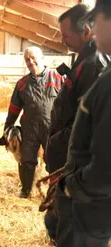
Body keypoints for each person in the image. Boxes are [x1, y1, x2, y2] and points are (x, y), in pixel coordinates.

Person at [43, 4, 110, 243]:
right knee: (57, 222)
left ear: (86, 31)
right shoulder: (84, 62)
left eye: (66, 35)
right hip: (73, 169)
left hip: (82, 184)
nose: (63, 41)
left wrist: (56, 143)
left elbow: (93, 135)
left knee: (69, 230)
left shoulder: (94, 66)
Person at [0, 46, 64, 198]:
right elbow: (14, 108)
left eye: (33, 58)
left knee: (54, 160)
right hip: (29, 128)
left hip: (53, 128)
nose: (31, 61)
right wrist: (7, 127)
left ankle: (55, 193)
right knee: (27, 160)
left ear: (42, 58)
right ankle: (26, 190)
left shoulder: (58, 77)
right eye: (27, 59)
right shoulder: (22, 83)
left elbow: (71, 101)